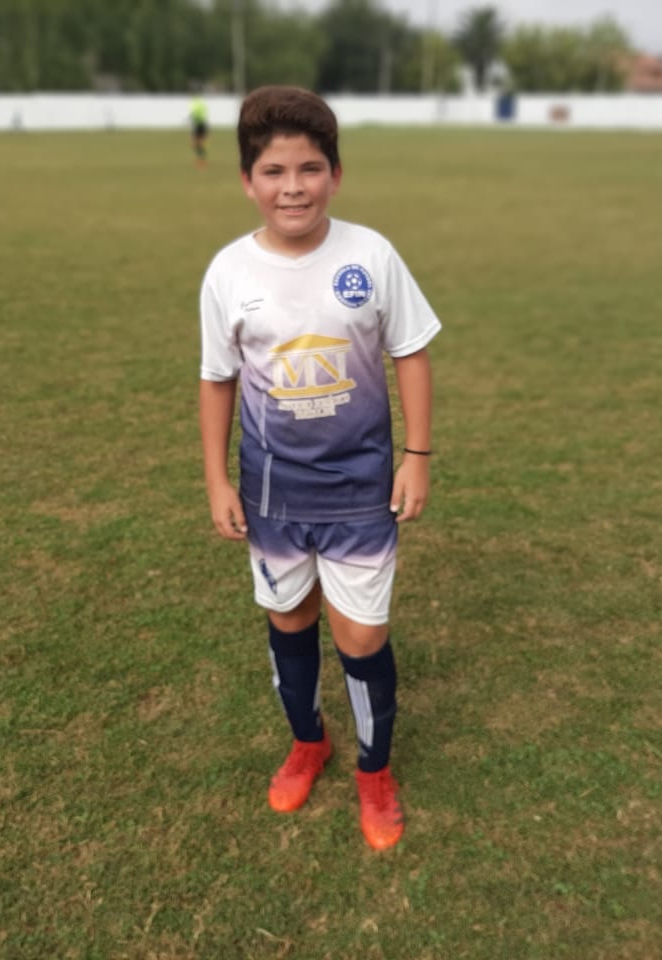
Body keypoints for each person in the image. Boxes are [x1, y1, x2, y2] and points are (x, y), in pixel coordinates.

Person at [198, 85, 440, 851]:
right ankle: (309, 743)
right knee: (289, 621)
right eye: (273, 171)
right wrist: (216, 479)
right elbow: (217, 378)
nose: (293, 187)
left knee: (360, 637)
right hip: (273, 493)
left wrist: (417, 456)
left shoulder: (370, 255)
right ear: (248, 181)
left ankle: (375, 771)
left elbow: (410, 351)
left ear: (335, 173)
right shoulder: (229, 271)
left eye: (309, 168)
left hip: (361, 490)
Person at [189, 96, 209, 167]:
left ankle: (201, 161)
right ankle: (201, 160)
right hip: (202, 125)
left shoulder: (196, 105)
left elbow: (195, 115)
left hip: (199, 125)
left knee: (197, 144)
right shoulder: (201, 105)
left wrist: (191, 117)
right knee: (197, 144)